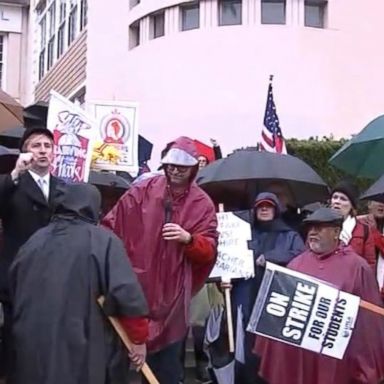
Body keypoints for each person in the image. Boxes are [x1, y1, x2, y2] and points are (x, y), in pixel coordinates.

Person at [103, 136, 218, 384]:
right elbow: (111, 226)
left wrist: (189, 239)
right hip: (136, 288)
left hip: (172, 300)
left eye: (182, 167)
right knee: (123, 369)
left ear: (193, 169)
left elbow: (209, 251)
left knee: (165, 370)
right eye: (171, 166)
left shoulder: (202, 204)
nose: (175, 171)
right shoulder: (142, 191)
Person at [9, 183, 149, 384]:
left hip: (33, 342)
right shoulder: (104, 241)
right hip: (85, 343)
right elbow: (126, 294)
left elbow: (13, 287)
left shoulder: (33, 242)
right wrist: (138, 339)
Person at [255, 207, 384, 384]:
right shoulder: (296, 264)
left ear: (336, 232)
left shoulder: (357, 267)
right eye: (310, 228)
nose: (313, 232)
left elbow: (369, 323)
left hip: (336, 360)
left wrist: (364, 367)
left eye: (319, 227)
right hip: (300, 357)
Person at [0, 127, 63, 380]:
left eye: (47, 146)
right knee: (16, 336)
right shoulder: (12, 183)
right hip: (18, 274)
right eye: (36, 146)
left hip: (53, 275)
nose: (43, 151)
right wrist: (16, 173)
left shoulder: (63, 188)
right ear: (25, 151)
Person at [227, 192, 304, 384]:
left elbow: (301, 257)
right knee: (244, 343)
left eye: (268, 206)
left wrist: (271, 258)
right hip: (244, 296)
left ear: (276, 209)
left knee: (272, 345)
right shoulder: (240, 234)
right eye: (260, 206)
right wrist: (225, 279)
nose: (264, 209)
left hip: (276, 299)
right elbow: (228, 259)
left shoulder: (290, 235)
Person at [330, 180, 376, 269]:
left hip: (352, 278)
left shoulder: (364, 230)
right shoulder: (321, 225)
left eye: (343, 199)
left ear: (352, 205)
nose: (337, 201)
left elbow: (370, 264)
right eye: (335, 197)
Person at [359, 200, 384, 298]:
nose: (382, 204)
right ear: (369, 204)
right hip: (362, 281)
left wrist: (374, 231)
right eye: (378, 201)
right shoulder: (358, 223)